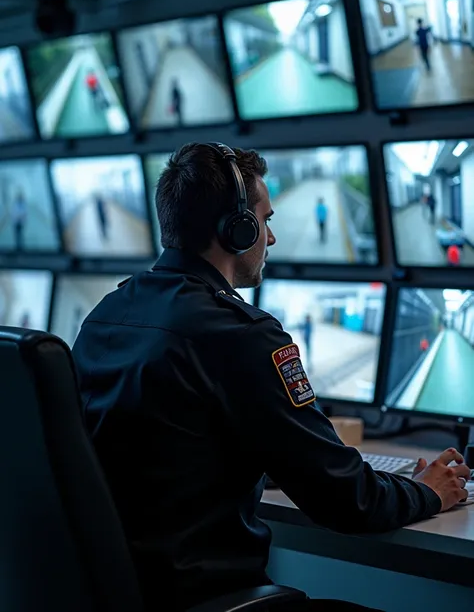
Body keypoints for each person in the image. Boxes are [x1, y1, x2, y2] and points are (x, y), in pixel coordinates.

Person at [72, 142, 470, 612]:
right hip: (210, 600)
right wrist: (424, 492)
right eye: (265, 219)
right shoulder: (242, 334)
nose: (271, 238)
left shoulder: (105, 315)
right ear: (236, 229)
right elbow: (346, 500)